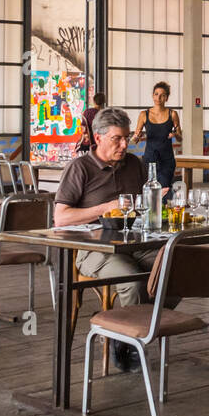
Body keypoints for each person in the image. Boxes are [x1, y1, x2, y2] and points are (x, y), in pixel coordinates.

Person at [54, 107, 172, 372]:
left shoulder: (134, 164)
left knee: (175, 266)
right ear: (98, 138)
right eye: (116, 139)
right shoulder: (80, 167)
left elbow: (143, 206)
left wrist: (156, 202)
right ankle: (126, 345)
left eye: (126, 138)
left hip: (134, 242)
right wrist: (103, 208)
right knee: (131, 280)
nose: (124, 144)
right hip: (93, 248)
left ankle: (137, 326)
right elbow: (60, 218)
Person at [133, 81, 181, 187]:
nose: (158, 98)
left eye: (162, 95)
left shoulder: (172, 114)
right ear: (152, 95)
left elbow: (180, 138)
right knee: (150, 189)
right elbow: (134, 140)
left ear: (167, 98)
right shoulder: (143, 114)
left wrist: (175, 135)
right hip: (150, 158)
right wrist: (137, 136)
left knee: (164, 189)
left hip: (167, 159)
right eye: (156, 94)